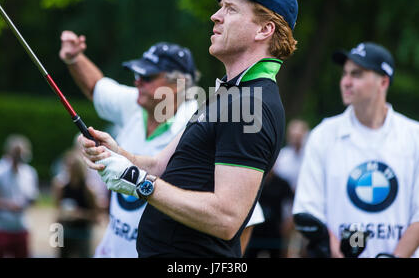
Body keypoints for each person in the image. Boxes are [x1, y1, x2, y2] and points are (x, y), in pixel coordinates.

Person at [79, 0, 298, 257]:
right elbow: (160, 165)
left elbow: (226, 219)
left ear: (264, 29)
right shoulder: (226, 93)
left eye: (230, 9)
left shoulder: (251, 105)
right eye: (221, 7)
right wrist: (119, 154)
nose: (215, 16)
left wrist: (138, 181)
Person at [59, 32, 265, 256]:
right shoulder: (136, 102)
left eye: (147, 77)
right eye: (136, 74)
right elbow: (96, 88)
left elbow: (247, 219)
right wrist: (74, 58)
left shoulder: (200, 125)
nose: (137, 81)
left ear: (178, 84)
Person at [293, 42, 419, 258]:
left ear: (383, 82)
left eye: (357, 75)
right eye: (345, 74)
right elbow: (310, 211)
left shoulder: (418, 136)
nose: (346, 82)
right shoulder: (322, 135)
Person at [0, 135, 39, 258]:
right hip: (0, 227)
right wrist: (8, 205)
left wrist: (28, 202)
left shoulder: (29, 172)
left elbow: (33, 197)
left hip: (21, 226)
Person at [273, 119, 310, 257]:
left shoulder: (311, 156)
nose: (295, 140)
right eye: (293, 136)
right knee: (285, 243)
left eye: (298, 136)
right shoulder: (282, 157)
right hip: (286, 206)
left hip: (307, 205)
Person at [54, 150, 98, 258]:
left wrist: (79, 215)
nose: (69, 169)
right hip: (65, 233)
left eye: (73, 166)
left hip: (82, 235)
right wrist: (55, 239)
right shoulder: (61, 188)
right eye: (68, 166)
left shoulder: (89, 191)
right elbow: (57, 214)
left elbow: (96, 217)